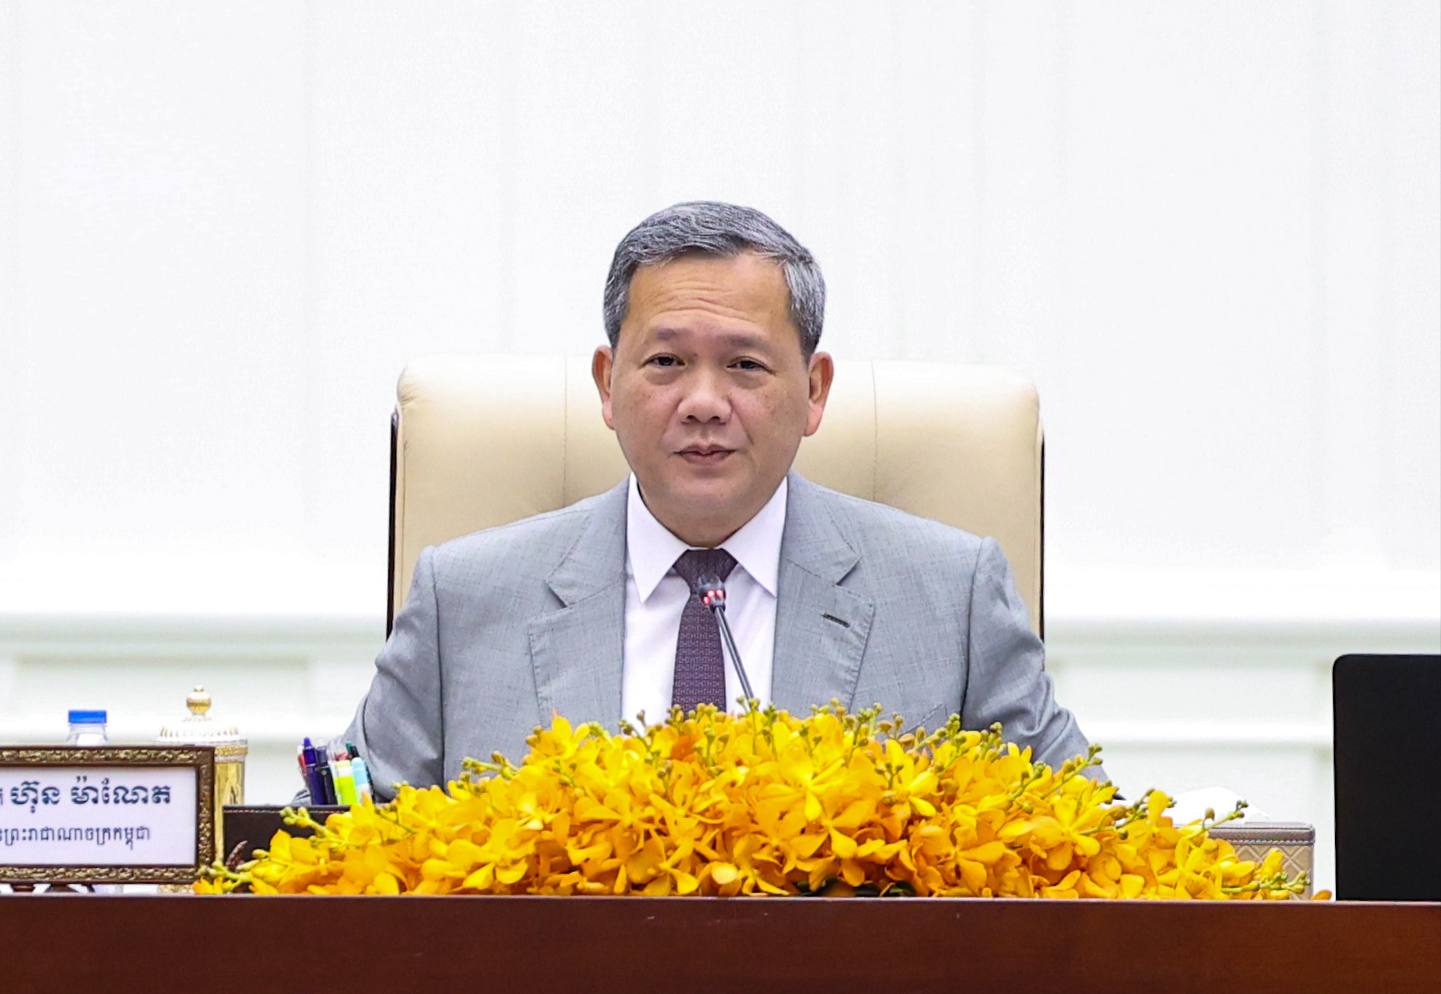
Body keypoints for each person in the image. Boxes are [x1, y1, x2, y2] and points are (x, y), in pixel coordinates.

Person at [325, 201, 1096, 802]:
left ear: (814, 390)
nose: (702, 402)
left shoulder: (950, 595)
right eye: (666, 362)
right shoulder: (463, 599)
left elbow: (1089, 845)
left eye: (744, 366)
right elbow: (337, 848)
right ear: (606, 384)